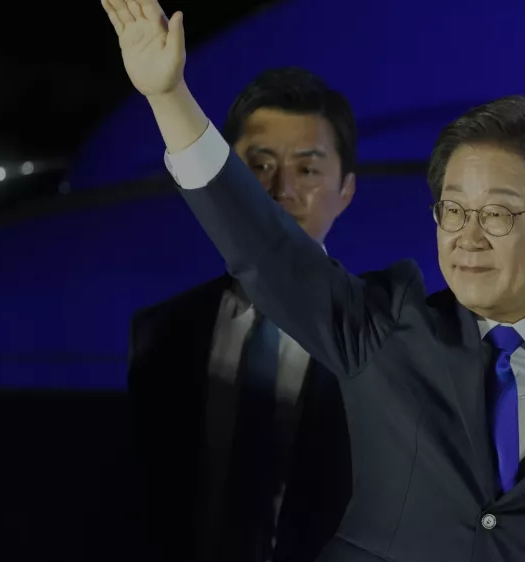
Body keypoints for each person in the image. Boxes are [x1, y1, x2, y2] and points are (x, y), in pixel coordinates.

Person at [102, 1, 525, 560]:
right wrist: (169, 98)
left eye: (498, 213)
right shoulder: (387, 325)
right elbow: (264, 246)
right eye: (453, 210)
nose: (467, 236)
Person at [126, 66, 356, 562]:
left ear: (346, 190)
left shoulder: (383, 331)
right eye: (260, 165)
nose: (282, 190)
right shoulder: (163, 331)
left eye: (309, 169)